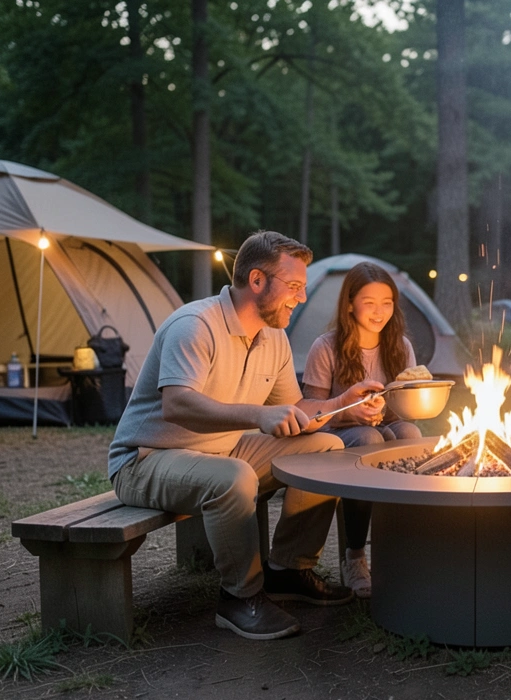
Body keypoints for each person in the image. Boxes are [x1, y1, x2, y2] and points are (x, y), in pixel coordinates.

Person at [108, 231, 384, 642]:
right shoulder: (195, 325)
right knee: (234, 478)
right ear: (257, 280)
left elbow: (296, 410)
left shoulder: (273, 337)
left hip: (222, 449)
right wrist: (258, 414)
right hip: (147, 458)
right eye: (294, 286)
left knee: (326, 448)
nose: (301, 297)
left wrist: (343, 402)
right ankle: (240, 597)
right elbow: (177, 404)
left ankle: (288, 569)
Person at [302, 262, 423, 599]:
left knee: (410, 436)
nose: (379, 311)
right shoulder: (326, 347)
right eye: (369, 303)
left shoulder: (400, 345)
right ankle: (354, 555)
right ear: (350, 304)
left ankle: (401, 547)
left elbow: (403, 410)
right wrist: (351, 412)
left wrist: (405, 402)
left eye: (387, 303)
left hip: (386, 424)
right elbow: (313, 410)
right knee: (371, 439)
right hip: (339, 430)